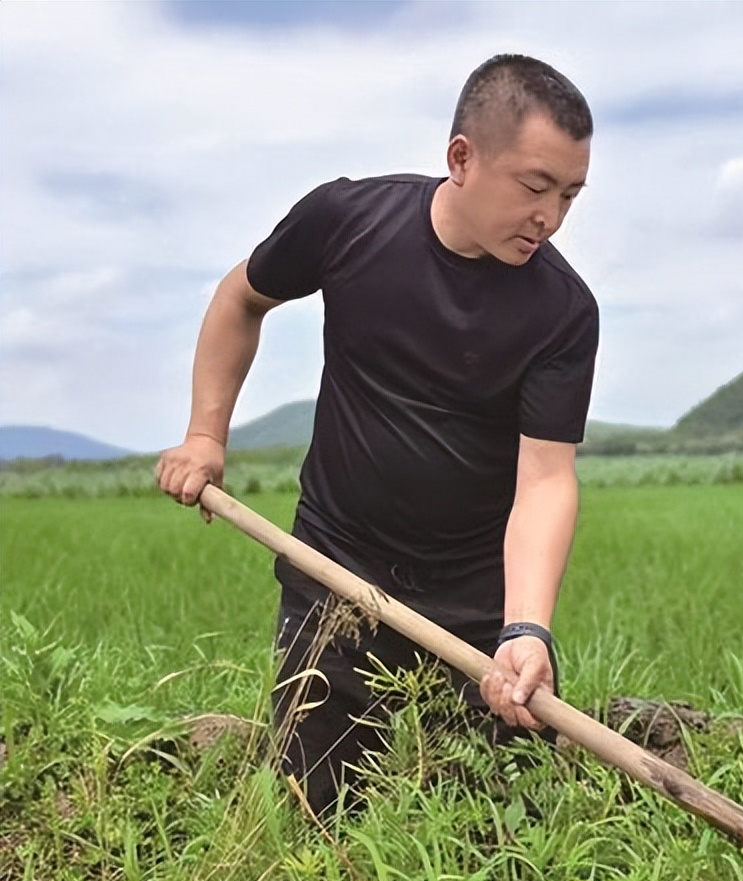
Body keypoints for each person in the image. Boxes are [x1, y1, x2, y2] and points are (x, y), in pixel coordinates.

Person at [155, 54, 597, 816]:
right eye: (534, 187)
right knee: (315, 812)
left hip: (473, 605)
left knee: (495, 826)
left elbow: (546, 480)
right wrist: (204, 435)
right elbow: (240, 297)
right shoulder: (351, 221)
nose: (550, 218)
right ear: (462, 158)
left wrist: (525, 627)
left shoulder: (561, 311)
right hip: (333, 573)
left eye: (570, 195)